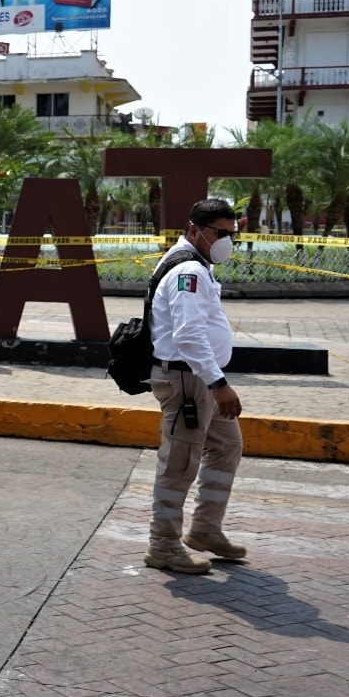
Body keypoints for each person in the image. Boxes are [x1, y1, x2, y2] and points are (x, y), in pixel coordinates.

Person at [144, 198, 247, 575]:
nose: (227, 242)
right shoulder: (188, 271)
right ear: (194, 230)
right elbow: (188, 335)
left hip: (200, 378)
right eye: (220, 233)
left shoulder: (197, 265)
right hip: (189, 381)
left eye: (232, 234)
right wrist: (219, 384)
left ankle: (204, 529)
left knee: (227, 446)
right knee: (179, 463)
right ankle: (163, 546)